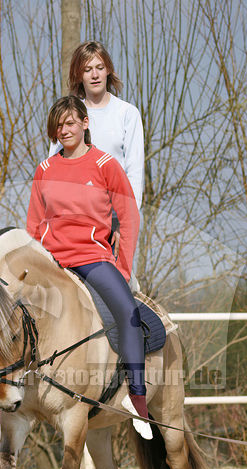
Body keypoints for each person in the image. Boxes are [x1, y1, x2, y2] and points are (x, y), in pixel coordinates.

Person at [27, 95, 151, 439]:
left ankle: (138, 401)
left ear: (85, 123)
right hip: (53, 264)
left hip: (93, 259)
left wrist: (123, 268)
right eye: (58, 125)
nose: (64, 130)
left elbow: (129, 217)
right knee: (14, 317)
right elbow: (34, 226)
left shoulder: (105, 164)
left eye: (70, 123)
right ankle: (7, 407)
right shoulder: (45, 170)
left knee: (128, 312)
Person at [49, 40, 144, 280]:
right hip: (73, 220)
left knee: (116, 291)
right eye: (87, 69)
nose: (94, 75)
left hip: (111, 220)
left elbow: (134, 172)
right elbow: (52, 169)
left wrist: (125, 223)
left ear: (108, 70)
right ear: (78, 74)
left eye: (99, 67)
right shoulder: (68, 113)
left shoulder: (127, 114)